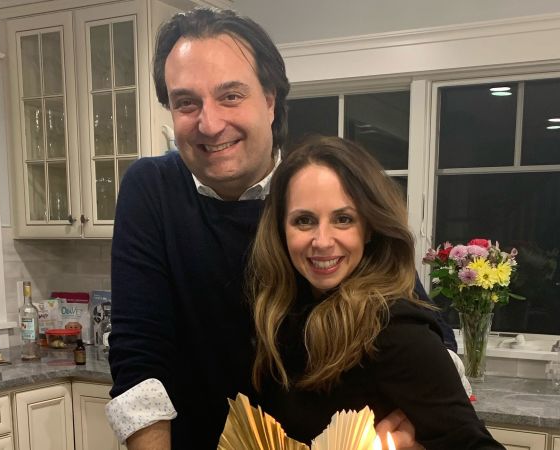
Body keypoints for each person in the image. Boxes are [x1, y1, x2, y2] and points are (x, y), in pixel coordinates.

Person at [105, 7, 455, 449]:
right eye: (186, 102)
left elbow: (428, 330)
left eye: (231, 95)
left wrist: (410, 431)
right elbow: (140, 355)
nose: (209, 124)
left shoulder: (316, 190)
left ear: (270, 100)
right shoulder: (149, 189)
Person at [248, 136, 503, 449]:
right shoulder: (279, 319)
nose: (323, 240)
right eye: (304, 220)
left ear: (368, 227)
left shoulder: (393, 332)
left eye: (343, 219)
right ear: (280, 229)